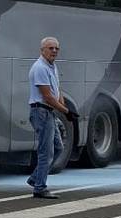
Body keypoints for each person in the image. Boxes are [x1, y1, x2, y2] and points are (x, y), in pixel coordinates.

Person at [27, 36, 77, 199]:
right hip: (41, 111)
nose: (54, 51)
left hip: (48, 112)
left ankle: (35, 178)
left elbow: (57, 89)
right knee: (46, 152)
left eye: (56, 48)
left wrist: (64, 108)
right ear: (42, 50)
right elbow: (47, 96)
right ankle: (40, 188)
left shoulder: (52, 66)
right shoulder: (40, 68)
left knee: (58, 147)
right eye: (50, 48)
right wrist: (66, 112)